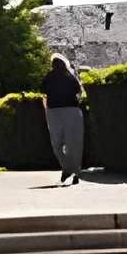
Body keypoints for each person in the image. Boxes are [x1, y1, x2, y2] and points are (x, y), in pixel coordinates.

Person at [42, 52, 88, 183]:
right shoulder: (70, 76)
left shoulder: (49, 76)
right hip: (71, 111)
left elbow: (43, 92)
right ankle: (74, 171)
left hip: (55, 111)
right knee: (74, 144)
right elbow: (79, 91)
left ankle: (68, 169)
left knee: (57, 144)